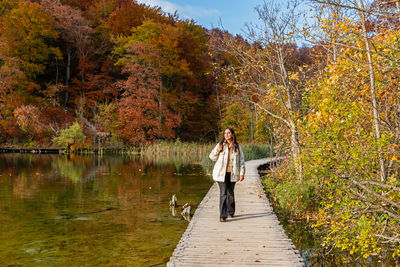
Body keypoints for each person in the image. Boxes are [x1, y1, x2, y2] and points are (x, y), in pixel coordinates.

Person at [209, 127, 245, 222]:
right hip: (221, 174)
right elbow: (211, 157)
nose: (226, 135)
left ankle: (230, 211)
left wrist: (242, 173)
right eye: (225, 133)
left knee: (230, 193)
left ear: (232, 134)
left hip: (233, 173)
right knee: (223, 193)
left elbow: (241, 161)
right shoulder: (220, 145)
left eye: (228, 133)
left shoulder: (237, 146)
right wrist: (217, 151)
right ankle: (222, 216)